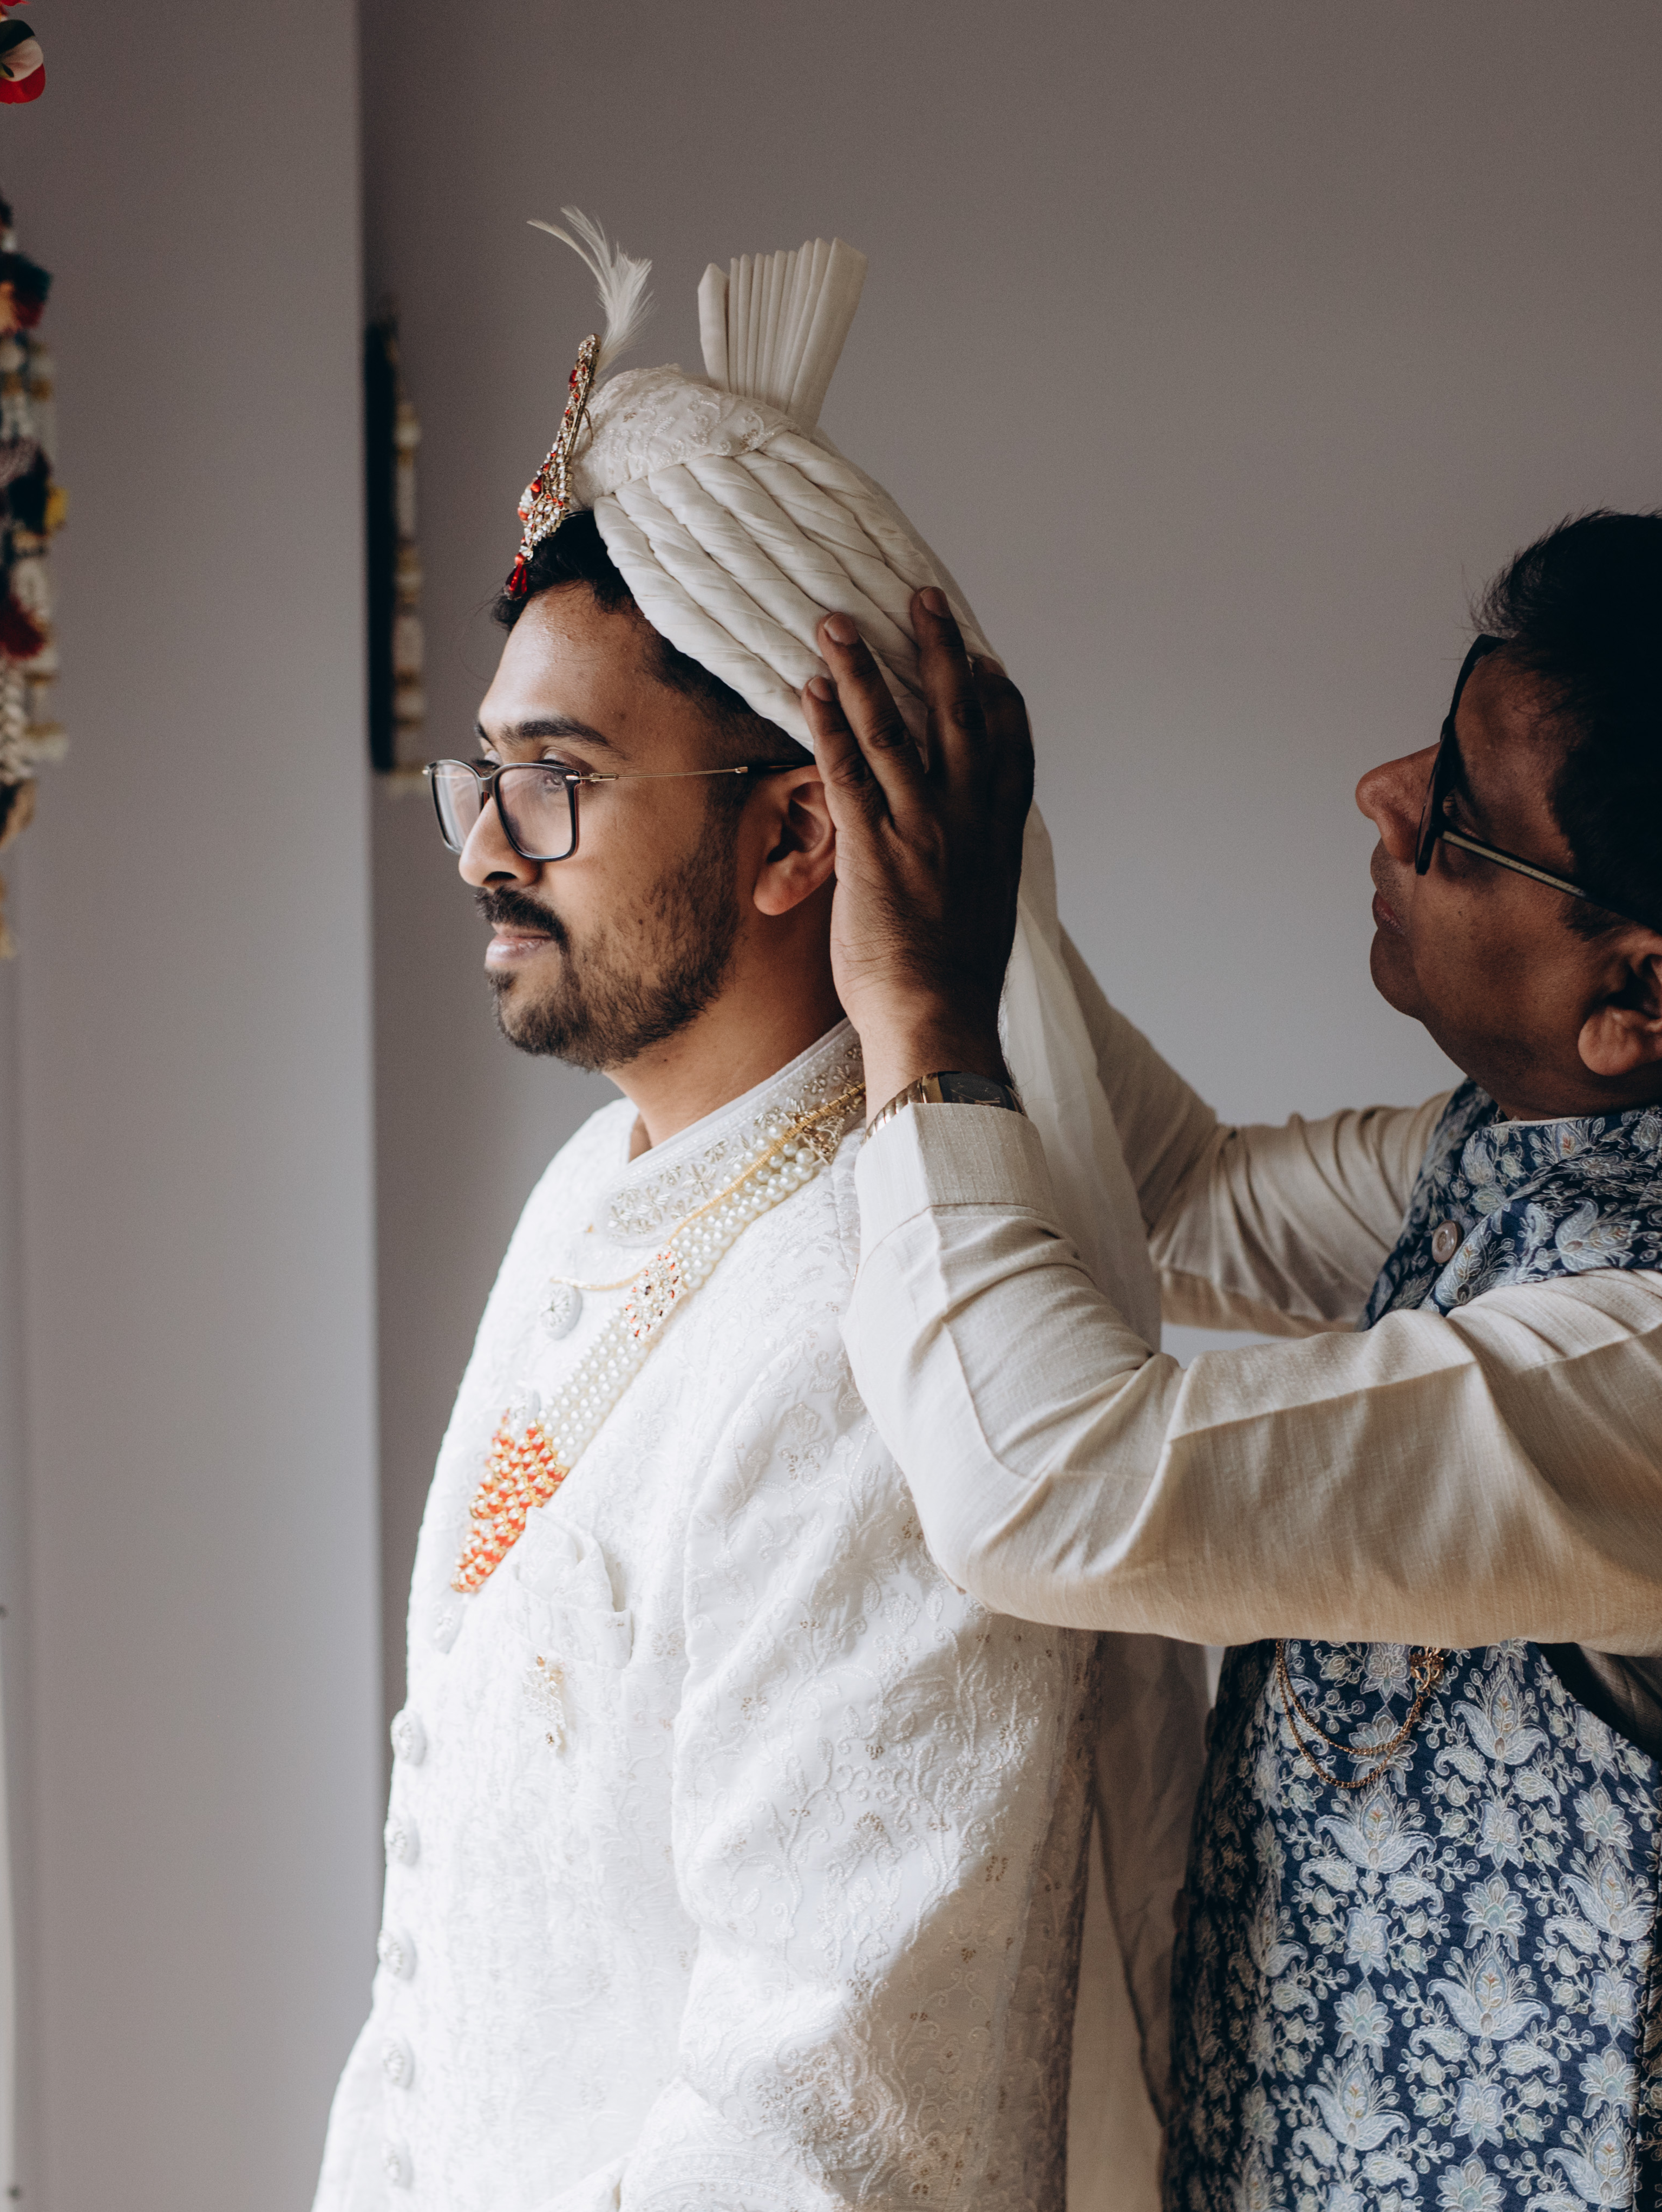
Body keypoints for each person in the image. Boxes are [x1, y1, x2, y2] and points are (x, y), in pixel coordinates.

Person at [800, 514, 1662, 2210]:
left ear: (1637, 991)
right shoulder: (1641, 1133)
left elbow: (1040, 1484)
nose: (1376, 793)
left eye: (1448, 807)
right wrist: (969, 883)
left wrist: (917, 1005)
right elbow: (1177, 1199)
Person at [311, 216, 1201, 2212]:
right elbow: (433, 1920)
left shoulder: (876, 1343)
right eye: (480, 771)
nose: (481, 849)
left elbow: (822, 2127)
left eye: (554, 778)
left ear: (796, 828)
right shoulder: (595, 1185)